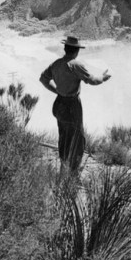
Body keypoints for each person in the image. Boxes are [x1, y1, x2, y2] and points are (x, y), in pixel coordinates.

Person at [39, 35, 111, 173]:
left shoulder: (56, 63)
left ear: (65, 49)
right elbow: (93, 80)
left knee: (64, 134)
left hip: (59, 103)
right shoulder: (75, 65)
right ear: (76, 51)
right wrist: (103, 77)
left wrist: (57, 91)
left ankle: (64, 166)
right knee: (77, 138)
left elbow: (43, 79)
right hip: (71, 105)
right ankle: (73, 172)